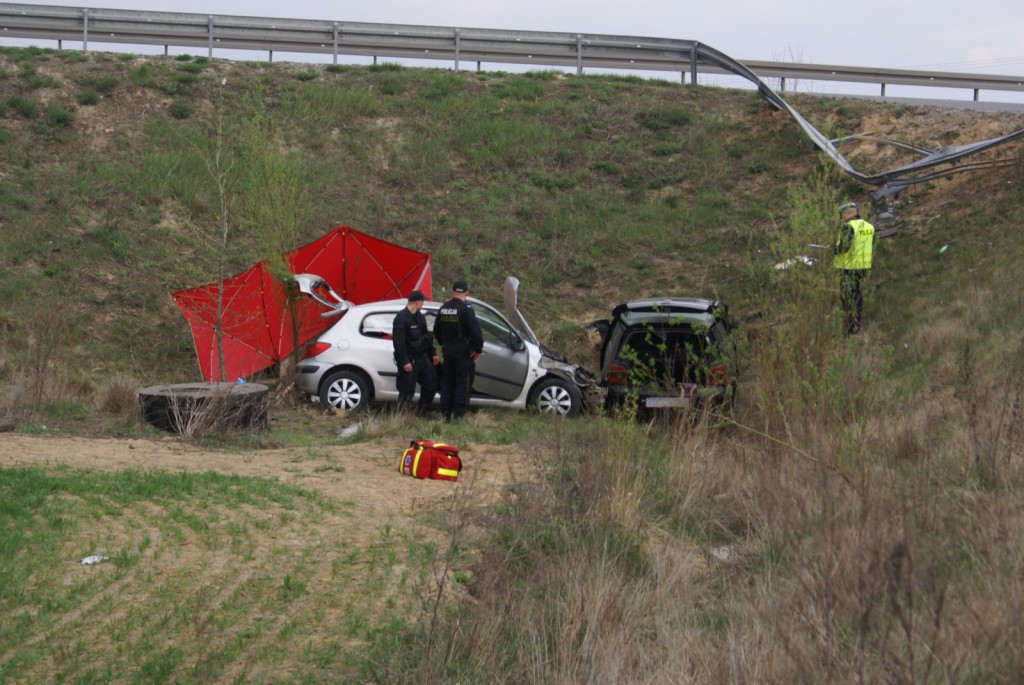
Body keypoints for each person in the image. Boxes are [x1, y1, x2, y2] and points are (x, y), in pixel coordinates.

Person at [433, 280, 484, 422]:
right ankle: (458, 416)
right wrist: (477, 350)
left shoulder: (444, 308)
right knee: (463, 384)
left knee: (447, 383)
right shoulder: (466, 308)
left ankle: (445, 415)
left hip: (448, 352)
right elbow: (476, 333)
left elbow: (436, 330)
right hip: (463, 353)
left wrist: (445, 344)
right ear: (466, 292)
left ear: (453, 292)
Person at [392, 290, 439, 414]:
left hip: (422, 357)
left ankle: (422, 412)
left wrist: (433, 353)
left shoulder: (420, 317)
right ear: (417, 302)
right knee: (407, 390)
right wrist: (404, 361)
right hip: (409, 359)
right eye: (422, 301)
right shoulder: (401, 318)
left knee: (431, 384)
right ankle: (401, 417)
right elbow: (398, 344)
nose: (423, 303)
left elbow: (426, 338)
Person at [833, 202, 875, 335]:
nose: (841, 218)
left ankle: (852, 326)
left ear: (847, 214)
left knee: (848, 297)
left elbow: (843, 248)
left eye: (842, 215)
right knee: (857, 295)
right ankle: (857, 322)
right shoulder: (869, 226)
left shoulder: (848, 227)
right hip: (863, 267)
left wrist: (832, 250)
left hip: (849, 268)